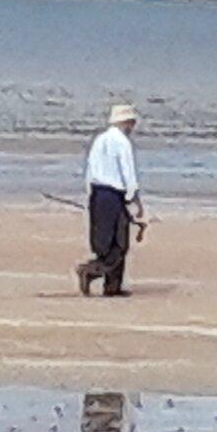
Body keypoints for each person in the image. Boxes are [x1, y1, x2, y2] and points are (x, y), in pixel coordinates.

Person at [75, 103, 144, 296]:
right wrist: (134, 199)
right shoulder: (122, 142)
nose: (132, 127)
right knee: (120, 243)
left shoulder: (99, 140)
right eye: (131, 122)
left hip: (98, 193)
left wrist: (90, 193)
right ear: (126, 122)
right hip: (114, 195)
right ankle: (93, 271)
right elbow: (128, 172)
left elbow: (89, 170)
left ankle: (111, 285)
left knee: (103, 240)